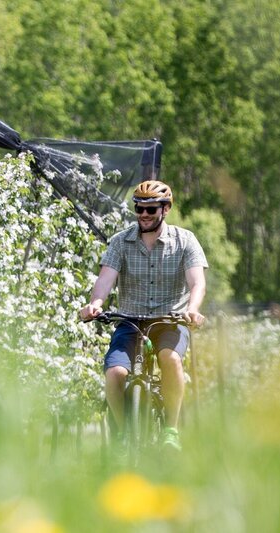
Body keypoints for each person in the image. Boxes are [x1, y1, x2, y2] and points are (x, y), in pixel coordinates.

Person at [79, 180, 207, 452]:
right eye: (139, 208)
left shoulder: (185, 241)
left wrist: (192, 309)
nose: (144, 215)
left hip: (170, 321)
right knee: (114, 373)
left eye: (151, 209)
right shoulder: (120, 241)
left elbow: (197, 283)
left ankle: (171, 429)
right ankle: (124, 433)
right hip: (130, 321)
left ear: (166, 209)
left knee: (170, 358)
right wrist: (95, 304)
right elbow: (105, 279)